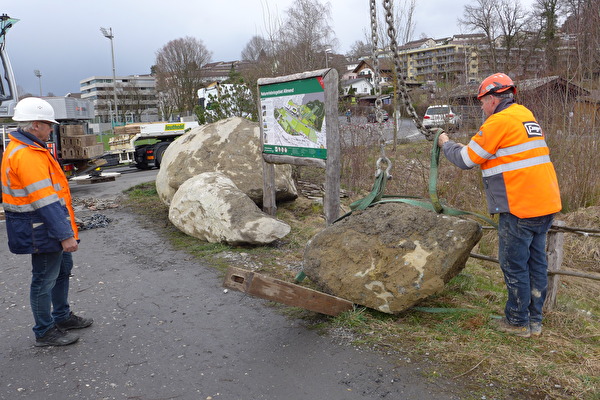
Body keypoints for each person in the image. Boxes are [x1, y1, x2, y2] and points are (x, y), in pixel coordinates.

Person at [437, 73, 561, 338]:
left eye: (482, 101)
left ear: (493, 99)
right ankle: (534, 321)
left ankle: (517, 322)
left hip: (520, 207)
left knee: (514, 264)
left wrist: (445, 143)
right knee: (536, 263)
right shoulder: (525, 115)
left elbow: (466, 159)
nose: (482, 107)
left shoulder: (499, 121)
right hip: (545, 204)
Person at [1, 97, 93, 347]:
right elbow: (44, 201)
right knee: (44, 278)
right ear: (35, 125)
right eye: (48, 124)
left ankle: (61, 317)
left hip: (45, 226)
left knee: (62, 270)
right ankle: (44, 330)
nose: (51, 129)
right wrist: (65, 234)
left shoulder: (32, 149)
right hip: (40, 229)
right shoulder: (27, 155)